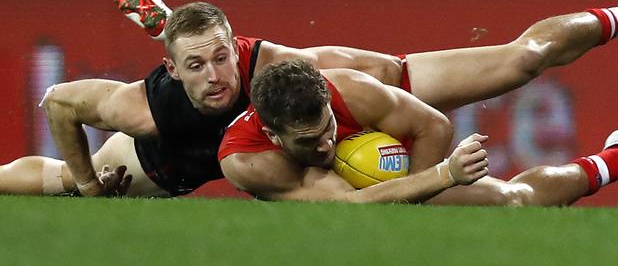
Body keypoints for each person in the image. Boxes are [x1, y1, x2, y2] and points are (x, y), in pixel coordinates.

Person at [0, 0, 616, 199]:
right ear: (175, 68)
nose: (216, 74)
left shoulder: (312, 74)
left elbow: (225, 55)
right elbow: (57, 101)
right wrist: (86, 183)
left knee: (520, 61)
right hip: (174, 165)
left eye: (225, 58)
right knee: (58, 185)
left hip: (359, 99)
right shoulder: (148, 110)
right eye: (196, 64)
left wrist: (423, 184)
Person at [219, 59, 618, 205]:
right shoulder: (248, 161)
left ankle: (611, 159)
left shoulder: (350, 90)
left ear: (328, 102)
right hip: (345, 199)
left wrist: (421, 188)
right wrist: (443, 177)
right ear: (274, 136)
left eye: (328, 128)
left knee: (515, 198)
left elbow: (434, 124)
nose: (325, 144)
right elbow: (350, 206)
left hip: (402, 169)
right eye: (307, 141)